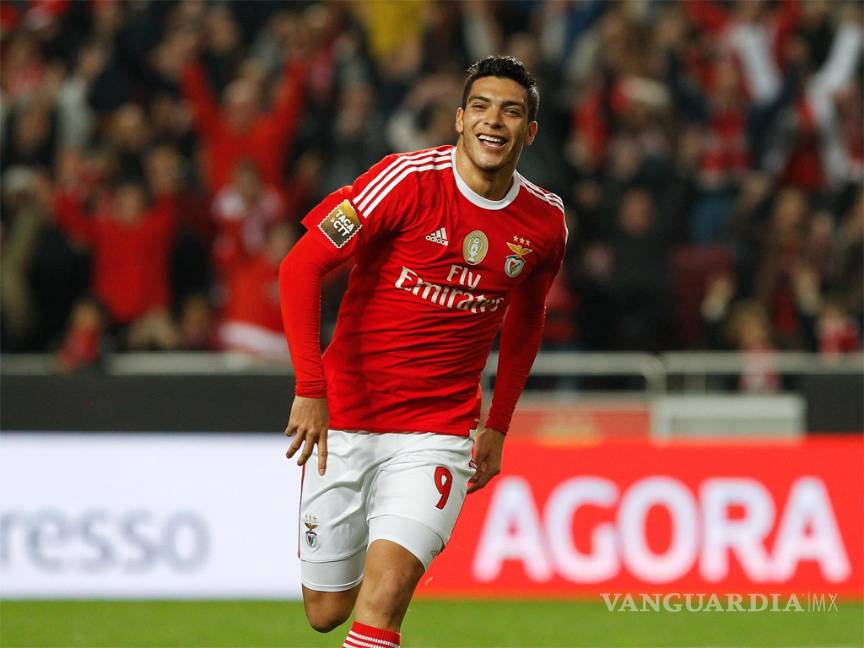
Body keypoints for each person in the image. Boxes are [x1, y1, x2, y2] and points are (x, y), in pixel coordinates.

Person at [279, 56, 567, 648]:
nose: (494, 121)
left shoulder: (544, 222)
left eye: (511, 112)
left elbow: (527, 320)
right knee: (325, 610)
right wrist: (310, 388)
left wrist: (498, 425)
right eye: (481, 107)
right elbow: (300, 265)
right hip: (347, 420)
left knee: (385, 599)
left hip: (438, 431)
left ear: (530, 131)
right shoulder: (404, 181)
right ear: (459, 119)